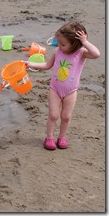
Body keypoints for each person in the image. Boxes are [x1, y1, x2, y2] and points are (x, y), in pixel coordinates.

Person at [25, 21, 100, 150]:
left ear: (76, 44)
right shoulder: (57, 51)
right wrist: (31, 64)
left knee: (66, 116)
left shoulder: (81, 53)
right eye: (58, 42)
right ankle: (49, 137)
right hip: (55, 89)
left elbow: (96, 54)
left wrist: (85, 42)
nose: (59, 46)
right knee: (53, 115)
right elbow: (47, 65)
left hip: (71, 91)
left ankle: (62, 137)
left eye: (63, 44)